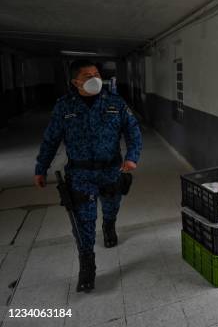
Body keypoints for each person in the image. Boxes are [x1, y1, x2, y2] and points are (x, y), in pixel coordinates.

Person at [34, 59, 142, 293]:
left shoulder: (115, 102)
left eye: (96, 74)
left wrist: (132, 156)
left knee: (112, 205)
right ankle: (87, 266)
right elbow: (51, 139)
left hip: (112, 170)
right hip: (80, 174)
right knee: (83, 222)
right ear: (75, 82)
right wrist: (40, 168)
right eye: (87, 76)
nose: (94, 79)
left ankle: (109, 225)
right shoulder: (64, 107)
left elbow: (133, 131)